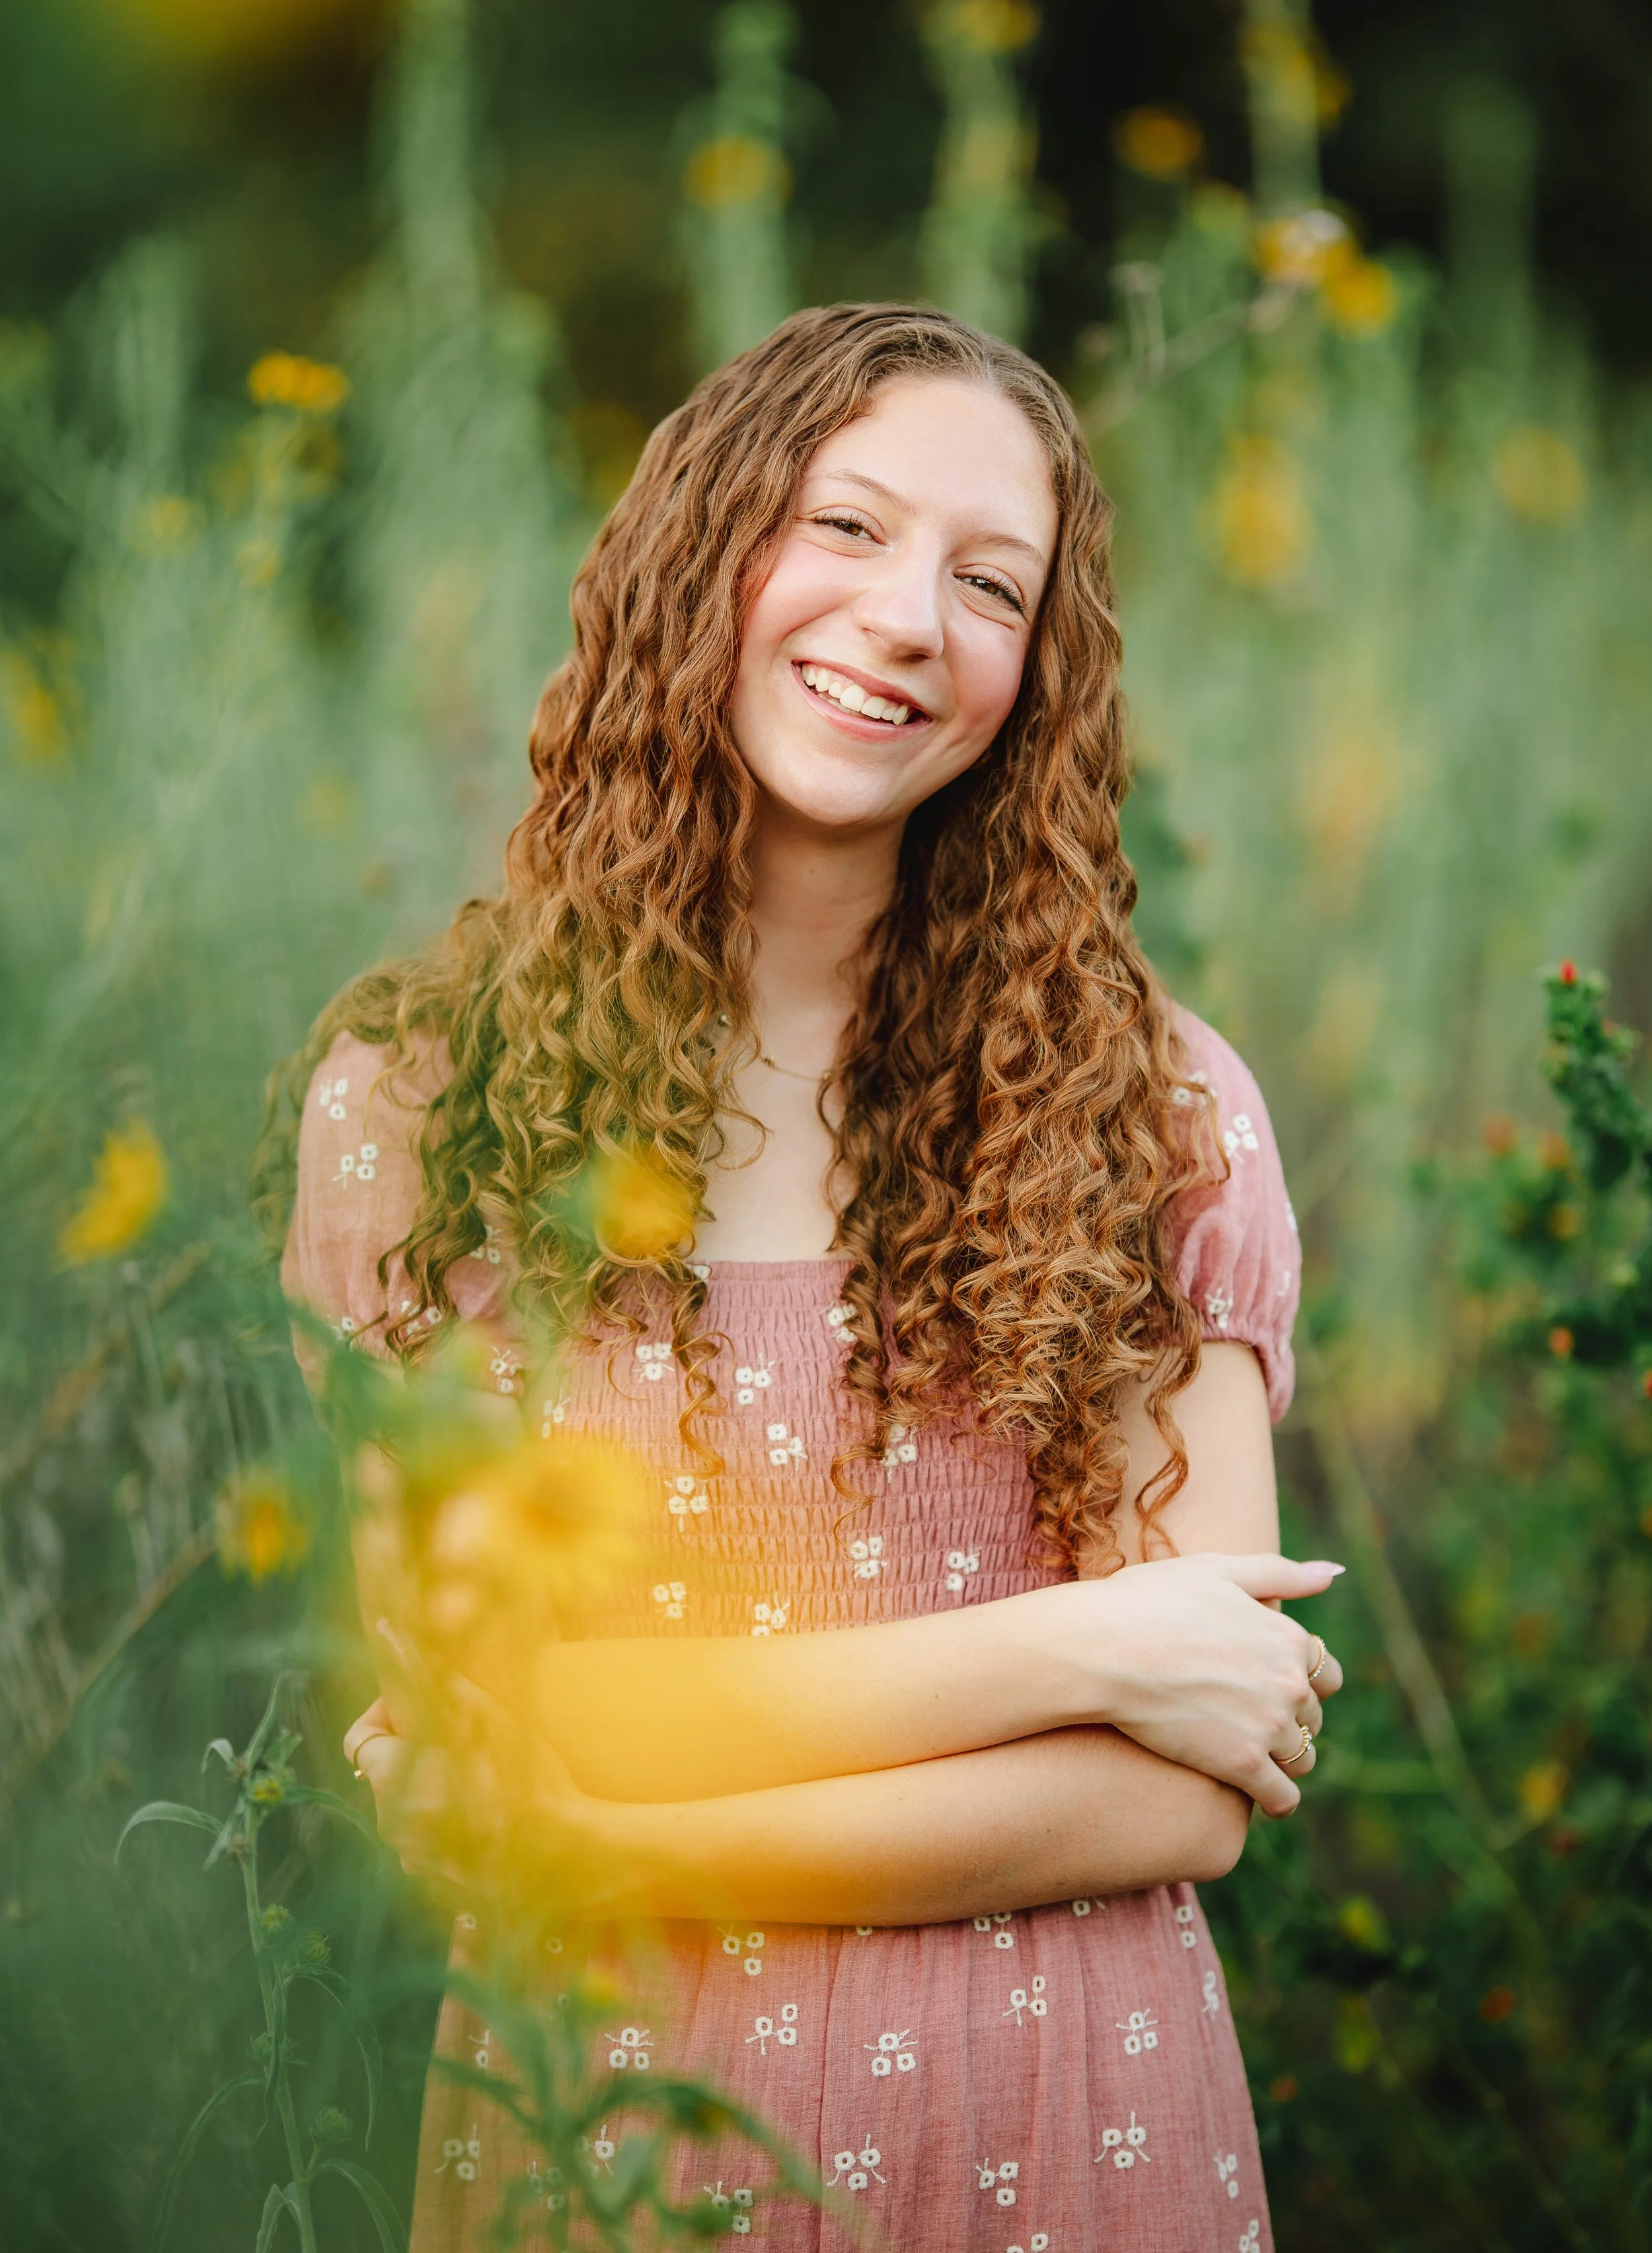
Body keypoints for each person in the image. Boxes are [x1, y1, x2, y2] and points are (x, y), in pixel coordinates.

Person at [271, 303, 1342, 2251]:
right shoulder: (425, 1107)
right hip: (602, 2126)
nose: (909, 615)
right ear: (701, 552)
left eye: (988, 582)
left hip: (1071, 2126)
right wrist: (1079, 1653)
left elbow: (1184, 1803)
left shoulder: (1152, 1111)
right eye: (843, 527)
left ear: (1038, 675)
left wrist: (586, 1813)